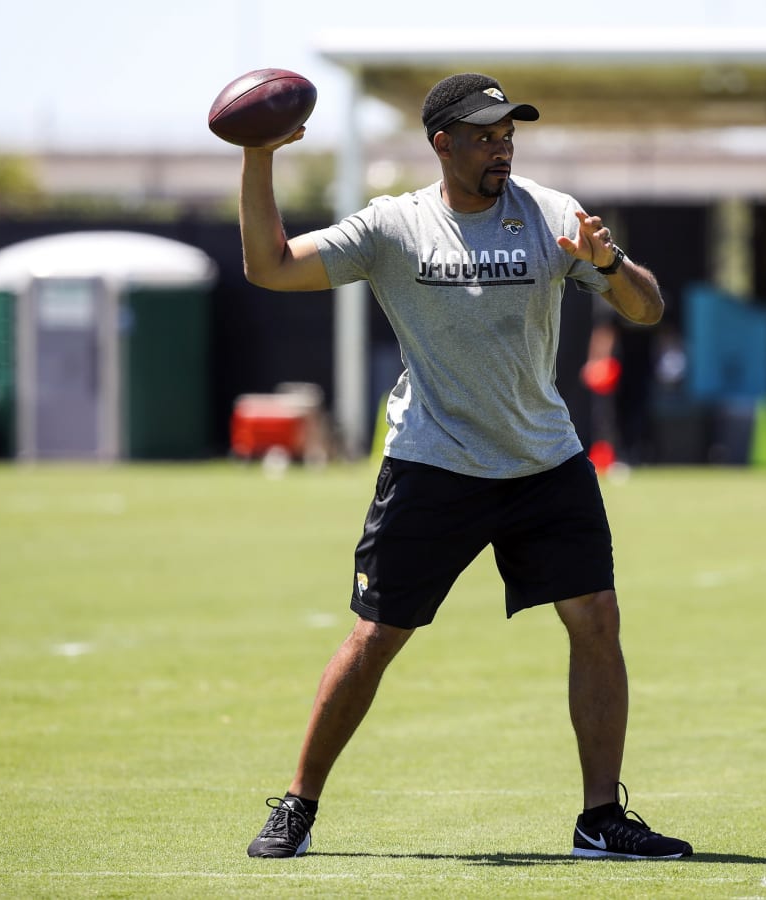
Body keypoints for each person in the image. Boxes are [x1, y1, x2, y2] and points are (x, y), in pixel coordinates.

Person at [240, 72, 692, 861]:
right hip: (434, 464)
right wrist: (257, 157)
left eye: (509, 133)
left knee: (596, 620)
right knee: (376, 636)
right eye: (485, 135)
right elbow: (270, 266)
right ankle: (298, 805)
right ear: (440, 143)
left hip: (543, 461)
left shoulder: (552, 215)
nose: (502, 147)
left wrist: (611, 262)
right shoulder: (394, 227)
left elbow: (647, 309)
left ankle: (600, 819)